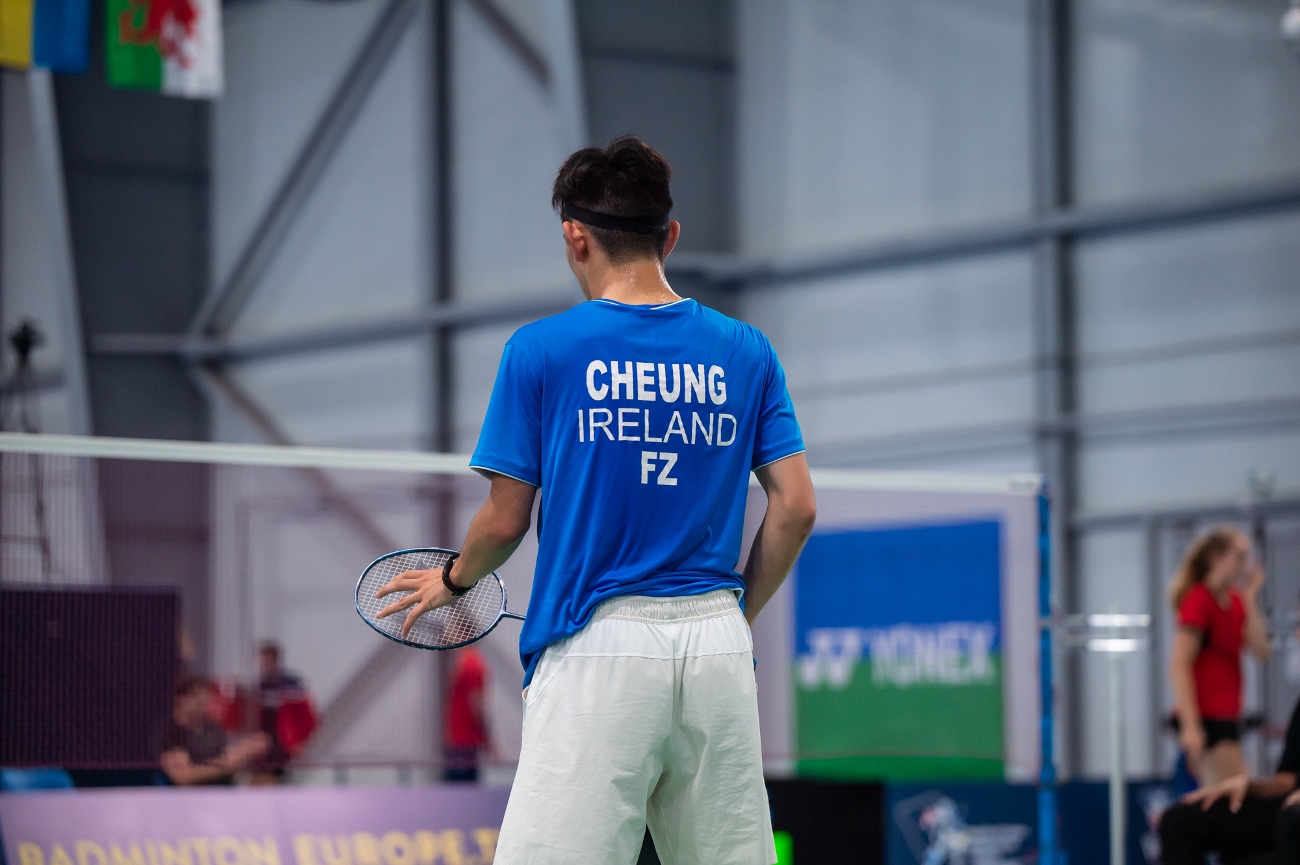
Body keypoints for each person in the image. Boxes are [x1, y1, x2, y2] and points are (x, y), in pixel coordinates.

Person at [376, 135, 816, 865]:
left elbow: (505, 521)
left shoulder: (540, 350)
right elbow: (796, 508)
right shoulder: (747, 350)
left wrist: (453, 578)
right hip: (717, 648)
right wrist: (732, 616)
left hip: (598, 648)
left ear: (575, 238)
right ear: (670, 236)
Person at [1159, 593, 1300, 865]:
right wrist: (1249, 785)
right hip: (1288, 805)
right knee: (1179, 821)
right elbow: (1287, 779)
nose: (1297, 635)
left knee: (1292, 821)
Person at [1168, 526, 1270, 787]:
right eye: (1239, 557)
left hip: (1229, 715)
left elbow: (1261, 650)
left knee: (1233, 793)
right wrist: (1191, 726)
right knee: (1230, 797)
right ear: (1216, 557)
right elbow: (1179, 664)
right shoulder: (1199, 600)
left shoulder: (1236, 601)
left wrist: (1250, 597)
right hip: (1205, 718)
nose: (1245, 566)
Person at [159, 675, 269, 786]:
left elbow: (226, 755)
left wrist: (247, 750)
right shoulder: (169, 732)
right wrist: (229, 763)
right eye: (196, 697)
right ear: (180, 699)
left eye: (205, 698)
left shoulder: (212, 728)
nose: (202, 702)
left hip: (225, 789)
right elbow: (183, 776)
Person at [250, 641, 317, 783]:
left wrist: (300, 740)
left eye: (266, 659)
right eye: (261, 660)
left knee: (278, 778)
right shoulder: (260, 685)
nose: (263, 663)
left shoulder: (291, 684)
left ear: (274, 659)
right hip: (264, 742)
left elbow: (306, 716)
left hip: (283, 742)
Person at [443, 646, 490, 782]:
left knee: (463, 786)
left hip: (465, 741)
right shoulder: (462, 660)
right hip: (457, 739)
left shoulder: (471, 663)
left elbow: (476, 703)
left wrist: (486, 737)